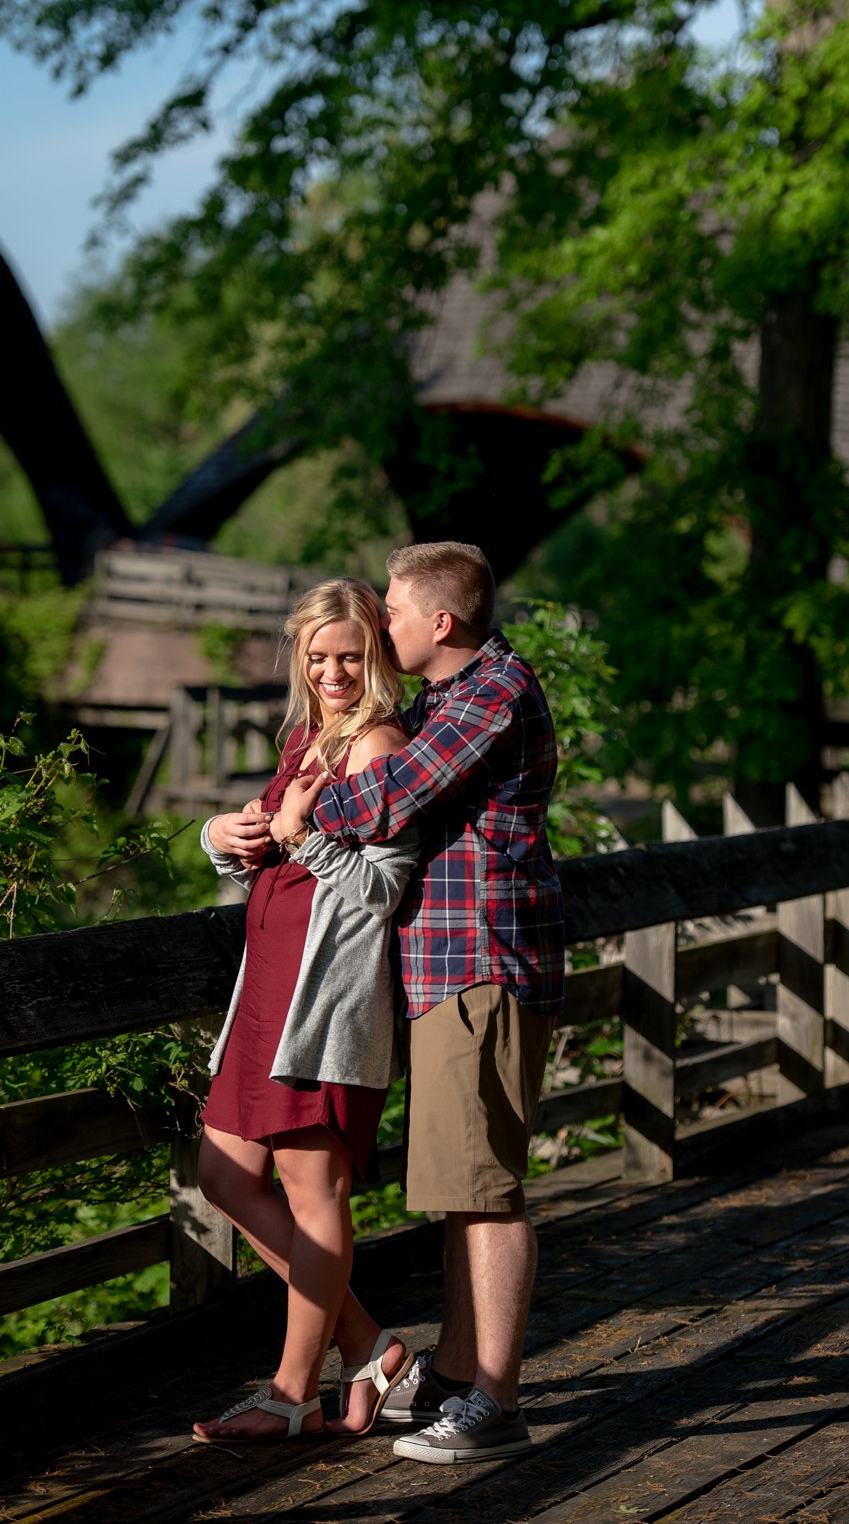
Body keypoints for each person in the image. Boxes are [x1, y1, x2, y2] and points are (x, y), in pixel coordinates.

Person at [278, 541, 565, 1464]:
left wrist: (298, 815)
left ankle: (498, 1399)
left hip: (482, 962)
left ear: (440, 623)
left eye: (394, 611)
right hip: (445, 967)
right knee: (459, 1186)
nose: (382, 623)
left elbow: (396, 792)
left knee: (487, 1193)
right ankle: (453, 1369)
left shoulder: (492, 692)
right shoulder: (446, 697)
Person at [191, 578, 418, 1444]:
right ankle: (370, 1346)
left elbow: (380, 890)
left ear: (377, 658)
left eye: (349, 656)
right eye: (317, 656)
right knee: (222, 1174)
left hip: (322, 1005)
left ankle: (290, 1393)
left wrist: (300, 837)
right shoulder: (308, 738)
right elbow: (275, 858)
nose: (331, 671)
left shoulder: (378, 746)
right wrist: (226, 836)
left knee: (311, 1190)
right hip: (265, 997)